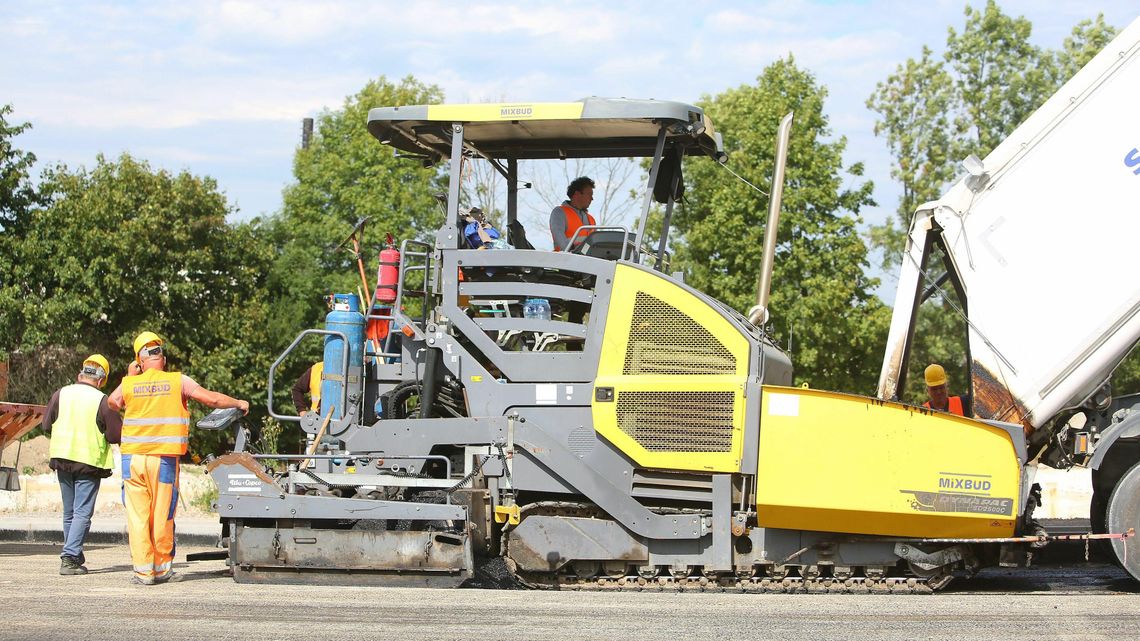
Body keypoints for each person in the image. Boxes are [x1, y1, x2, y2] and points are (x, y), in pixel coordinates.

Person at [108, 331, 249, 585]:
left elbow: (112, 402)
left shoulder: (129, 383)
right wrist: (238, 402)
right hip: (163, 459)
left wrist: (131, 377)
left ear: (139, 361)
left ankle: (143, 572)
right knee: (162, 514)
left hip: (133, 460)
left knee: (138, 516)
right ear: (163, 357)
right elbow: (212, 399)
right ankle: (161, 569)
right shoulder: (178, 381)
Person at [42, 354, 122, 576]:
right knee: (82, 513)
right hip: (88, 462)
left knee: (70, 512)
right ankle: (69, 558)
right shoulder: (102, 400)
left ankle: (73, 555)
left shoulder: (61, 393)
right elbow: (116, 435)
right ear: (101, 379)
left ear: (81, 374)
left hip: (62, 458)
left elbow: (46, 424)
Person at [550, 176, 596, 252]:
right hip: (564, 261)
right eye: (589, 194)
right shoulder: (559, 212)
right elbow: (559, 237)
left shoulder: (591, 219)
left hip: (588, 261)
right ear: (577, 194)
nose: (592, 198)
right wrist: (573, 251)